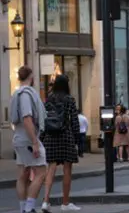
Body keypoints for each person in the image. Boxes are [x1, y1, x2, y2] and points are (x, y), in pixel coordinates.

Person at [40, 74, 82, 212]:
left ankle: (46, 201)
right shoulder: (69, 100)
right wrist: (77, 140)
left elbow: (44, 119)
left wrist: (42, 137)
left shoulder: (49, 99)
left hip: (51, 137)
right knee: (67, 169)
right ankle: (65, 202)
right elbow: (74, 121)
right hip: (65, 136)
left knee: (50, 168)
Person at [10, 66, 47, 213]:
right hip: (28, 138)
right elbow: (27, 119)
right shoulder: (26, 94)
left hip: (18, 137)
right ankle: (28, 208)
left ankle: (23, 208)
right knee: (41, 172)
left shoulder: (15, 93)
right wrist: (35, 142)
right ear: (31, 77)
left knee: (22, 174)